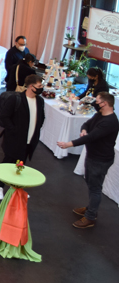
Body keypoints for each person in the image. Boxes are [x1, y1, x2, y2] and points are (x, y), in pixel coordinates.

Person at [57, 91, 119, 229]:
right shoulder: (100, 114)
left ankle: (90, 216)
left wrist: (68, 144)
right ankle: (91, 208)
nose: (94, 103)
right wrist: (84, 130)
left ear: (104, 103)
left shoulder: (110, 122)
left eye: (97, 101)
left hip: (100, 159)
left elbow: (91, 137)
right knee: (91, 184)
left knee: (95, 188)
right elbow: (87, 124)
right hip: (93, 156)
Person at [0, 74, 45, 199]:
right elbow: (4, 116)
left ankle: (16, 187)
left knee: (21, 163)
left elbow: (41, 117)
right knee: (8, 161)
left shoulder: (40, 101)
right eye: (39, 85)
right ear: (31, 86)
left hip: (30, 139)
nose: (41, 88)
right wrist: (13, 130)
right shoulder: (16, 99)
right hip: (14, 138)